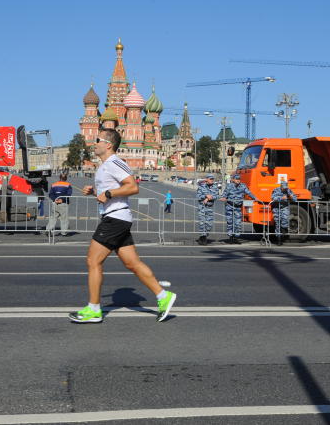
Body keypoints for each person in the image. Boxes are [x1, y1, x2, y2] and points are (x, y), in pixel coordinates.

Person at [69, 128, 177, 323]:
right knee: (132, 263)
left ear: (108, 144)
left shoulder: (114, 162)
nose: (94, 143)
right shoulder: (104, 166)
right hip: (118, 217)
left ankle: (93, 309)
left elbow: (133, 186)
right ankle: (163, 296)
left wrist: (108, 194)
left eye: (98, 140)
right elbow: (112, 192)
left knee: (93, 261)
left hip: (115, 220)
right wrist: (96, 192)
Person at [219, 173, 260, 244]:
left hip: (238, 208)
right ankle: (231, 237)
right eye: (236, 179)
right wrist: (223, 197)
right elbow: (224, 194)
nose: (238, 180)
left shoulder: (243, 186)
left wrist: (255, 198)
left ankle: (236, 237)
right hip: (230, 207)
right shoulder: (229, 186)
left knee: (237, 223)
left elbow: (248, 192)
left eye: (239, 179)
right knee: (230, 223)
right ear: (233, 180)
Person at [271, 180, 297, 245]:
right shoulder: (276, 190)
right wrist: (281, 198)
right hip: (276, 208)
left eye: (285, 187)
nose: (284, 189)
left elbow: (295, 199)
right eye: (283, 187)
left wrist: (291, 197)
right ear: (281, 186)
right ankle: (279, 239)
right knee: (277, 223)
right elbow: (273, 198)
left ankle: (283, 229)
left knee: (285, 221)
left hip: (284, 208)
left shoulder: (288, 190)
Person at [195, 174, 219, 245]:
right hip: (202, 207)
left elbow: (217, 195)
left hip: (209, 207)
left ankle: (203, 236)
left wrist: (208, 198)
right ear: (206, 179)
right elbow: (198, 196)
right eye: (210, 179)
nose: (212, 180)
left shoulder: (215, 187)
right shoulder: (201, 187)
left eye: (213, 179)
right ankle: (203, 238)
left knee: (209, 225)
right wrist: (205, 195)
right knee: (202, 223)